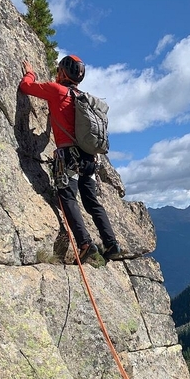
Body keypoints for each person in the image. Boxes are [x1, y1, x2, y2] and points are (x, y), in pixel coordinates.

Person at [19, 55, 121, 263]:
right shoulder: (83, 98)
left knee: (67, 197)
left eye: (58, 71)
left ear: (63, 72)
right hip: (90, 159)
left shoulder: (56, 91)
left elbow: (26, 87)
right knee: (91, 202)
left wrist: (30, 72)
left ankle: (85, 245)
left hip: (69, 158)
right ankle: (111, 244)